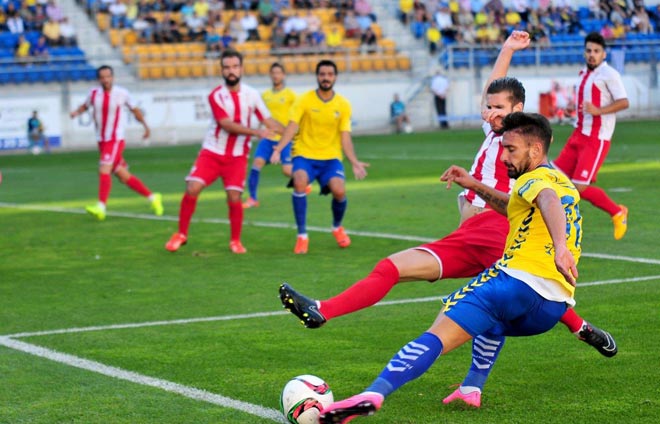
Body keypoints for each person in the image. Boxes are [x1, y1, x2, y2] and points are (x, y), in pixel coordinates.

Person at [279, 31, 616, 404]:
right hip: (484, 236)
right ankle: (489, 376)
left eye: (499, 109)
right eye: (488, 107)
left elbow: (546, 196)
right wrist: (506, 50)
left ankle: (337, 330)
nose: (490, 113)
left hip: (490, 233)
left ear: (518, 110)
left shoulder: (519, 147)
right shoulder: (498, 136)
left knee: (423, 285)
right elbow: (495, 93)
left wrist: (552, 243)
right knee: (494, 304)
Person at [316, 113, 583, 423]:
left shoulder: (533, 180)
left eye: (511, 149)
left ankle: (373, 393)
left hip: (514, 282)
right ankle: (471, 387)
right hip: (552, 307)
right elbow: (515, 205)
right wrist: (472, 184)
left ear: (535, 150)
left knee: (438, 333)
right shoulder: (562, 182)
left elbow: (546, 200)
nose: (505, 156)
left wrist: (560, 248)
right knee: (491, 324)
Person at [165, 50, 284, 254]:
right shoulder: (216, 95)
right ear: (222, 70)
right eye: (227, 67)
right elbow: (226, 125)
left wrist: (291, 132)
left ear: (242, 69)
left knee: (234, 196)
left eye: (235, 66)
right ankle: (181, 234)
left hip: (237, 156)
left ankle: (235, 241)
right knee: (192, 187)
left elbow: (268, 121)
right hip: (212, 152)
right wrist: (256, 132)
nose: (231, 71)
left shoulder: (252, 95)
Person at [269, 60, 369, 255]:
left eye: (330, 74)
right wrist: (279, 148)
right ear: (317, 76)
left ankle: (337, 227)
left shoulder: (343, 104)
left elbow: (345, 136)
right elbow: (292, 126)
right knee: (299, 181)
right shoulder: (304, 100)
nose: (326, 78)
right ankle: (302, 236)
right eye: (322, 74)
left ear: (335, 77)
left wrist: (354, 162)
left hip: (330, 157)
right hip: (304, 154)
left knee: (339, 191)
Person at [552, 32, 629, 240]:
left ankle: (617, 212)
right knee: (553, 178)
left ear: (604, 54)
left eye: (596, 51)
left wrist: (598, 111)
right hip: (578, 134)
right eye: (588, 51)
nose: (592, 55)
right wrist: (571, 109)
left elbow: (624, 102)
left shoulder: (610, 74)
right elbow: (584, 103)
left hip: (596, 139)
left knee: (578, 188)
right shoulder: (583, 73)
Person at [70, 65, 163, 221]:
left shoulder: (122, 93)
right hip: (102, 140)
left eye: (108, 76)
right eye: (103, 77)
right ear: (99, 79)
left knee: (104, 169)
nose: (106, 79)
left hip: (115, 139)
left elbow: (135, 110)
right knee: (123, 175)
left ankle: (101, 207)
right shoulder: (94, 93)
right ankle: (153, 198)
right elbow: (85, 106)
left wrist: (146, 127)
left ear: (113, 77)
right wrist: (76, 112)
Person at [243, 63, 300, 209]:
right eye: (273, 73)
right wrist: (259, 130)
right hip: (268, 138)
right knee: (256, 164)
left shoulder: (291, 95)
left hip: (284, 139)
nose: (276, 75)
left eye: (278, 73)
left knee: (287, 170)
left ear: (283, 75)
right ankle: (253, 198)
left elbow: (299, 114)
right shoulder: (265, 95)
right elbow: (263, 116)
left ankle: (305, 179)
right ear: (270, 75)